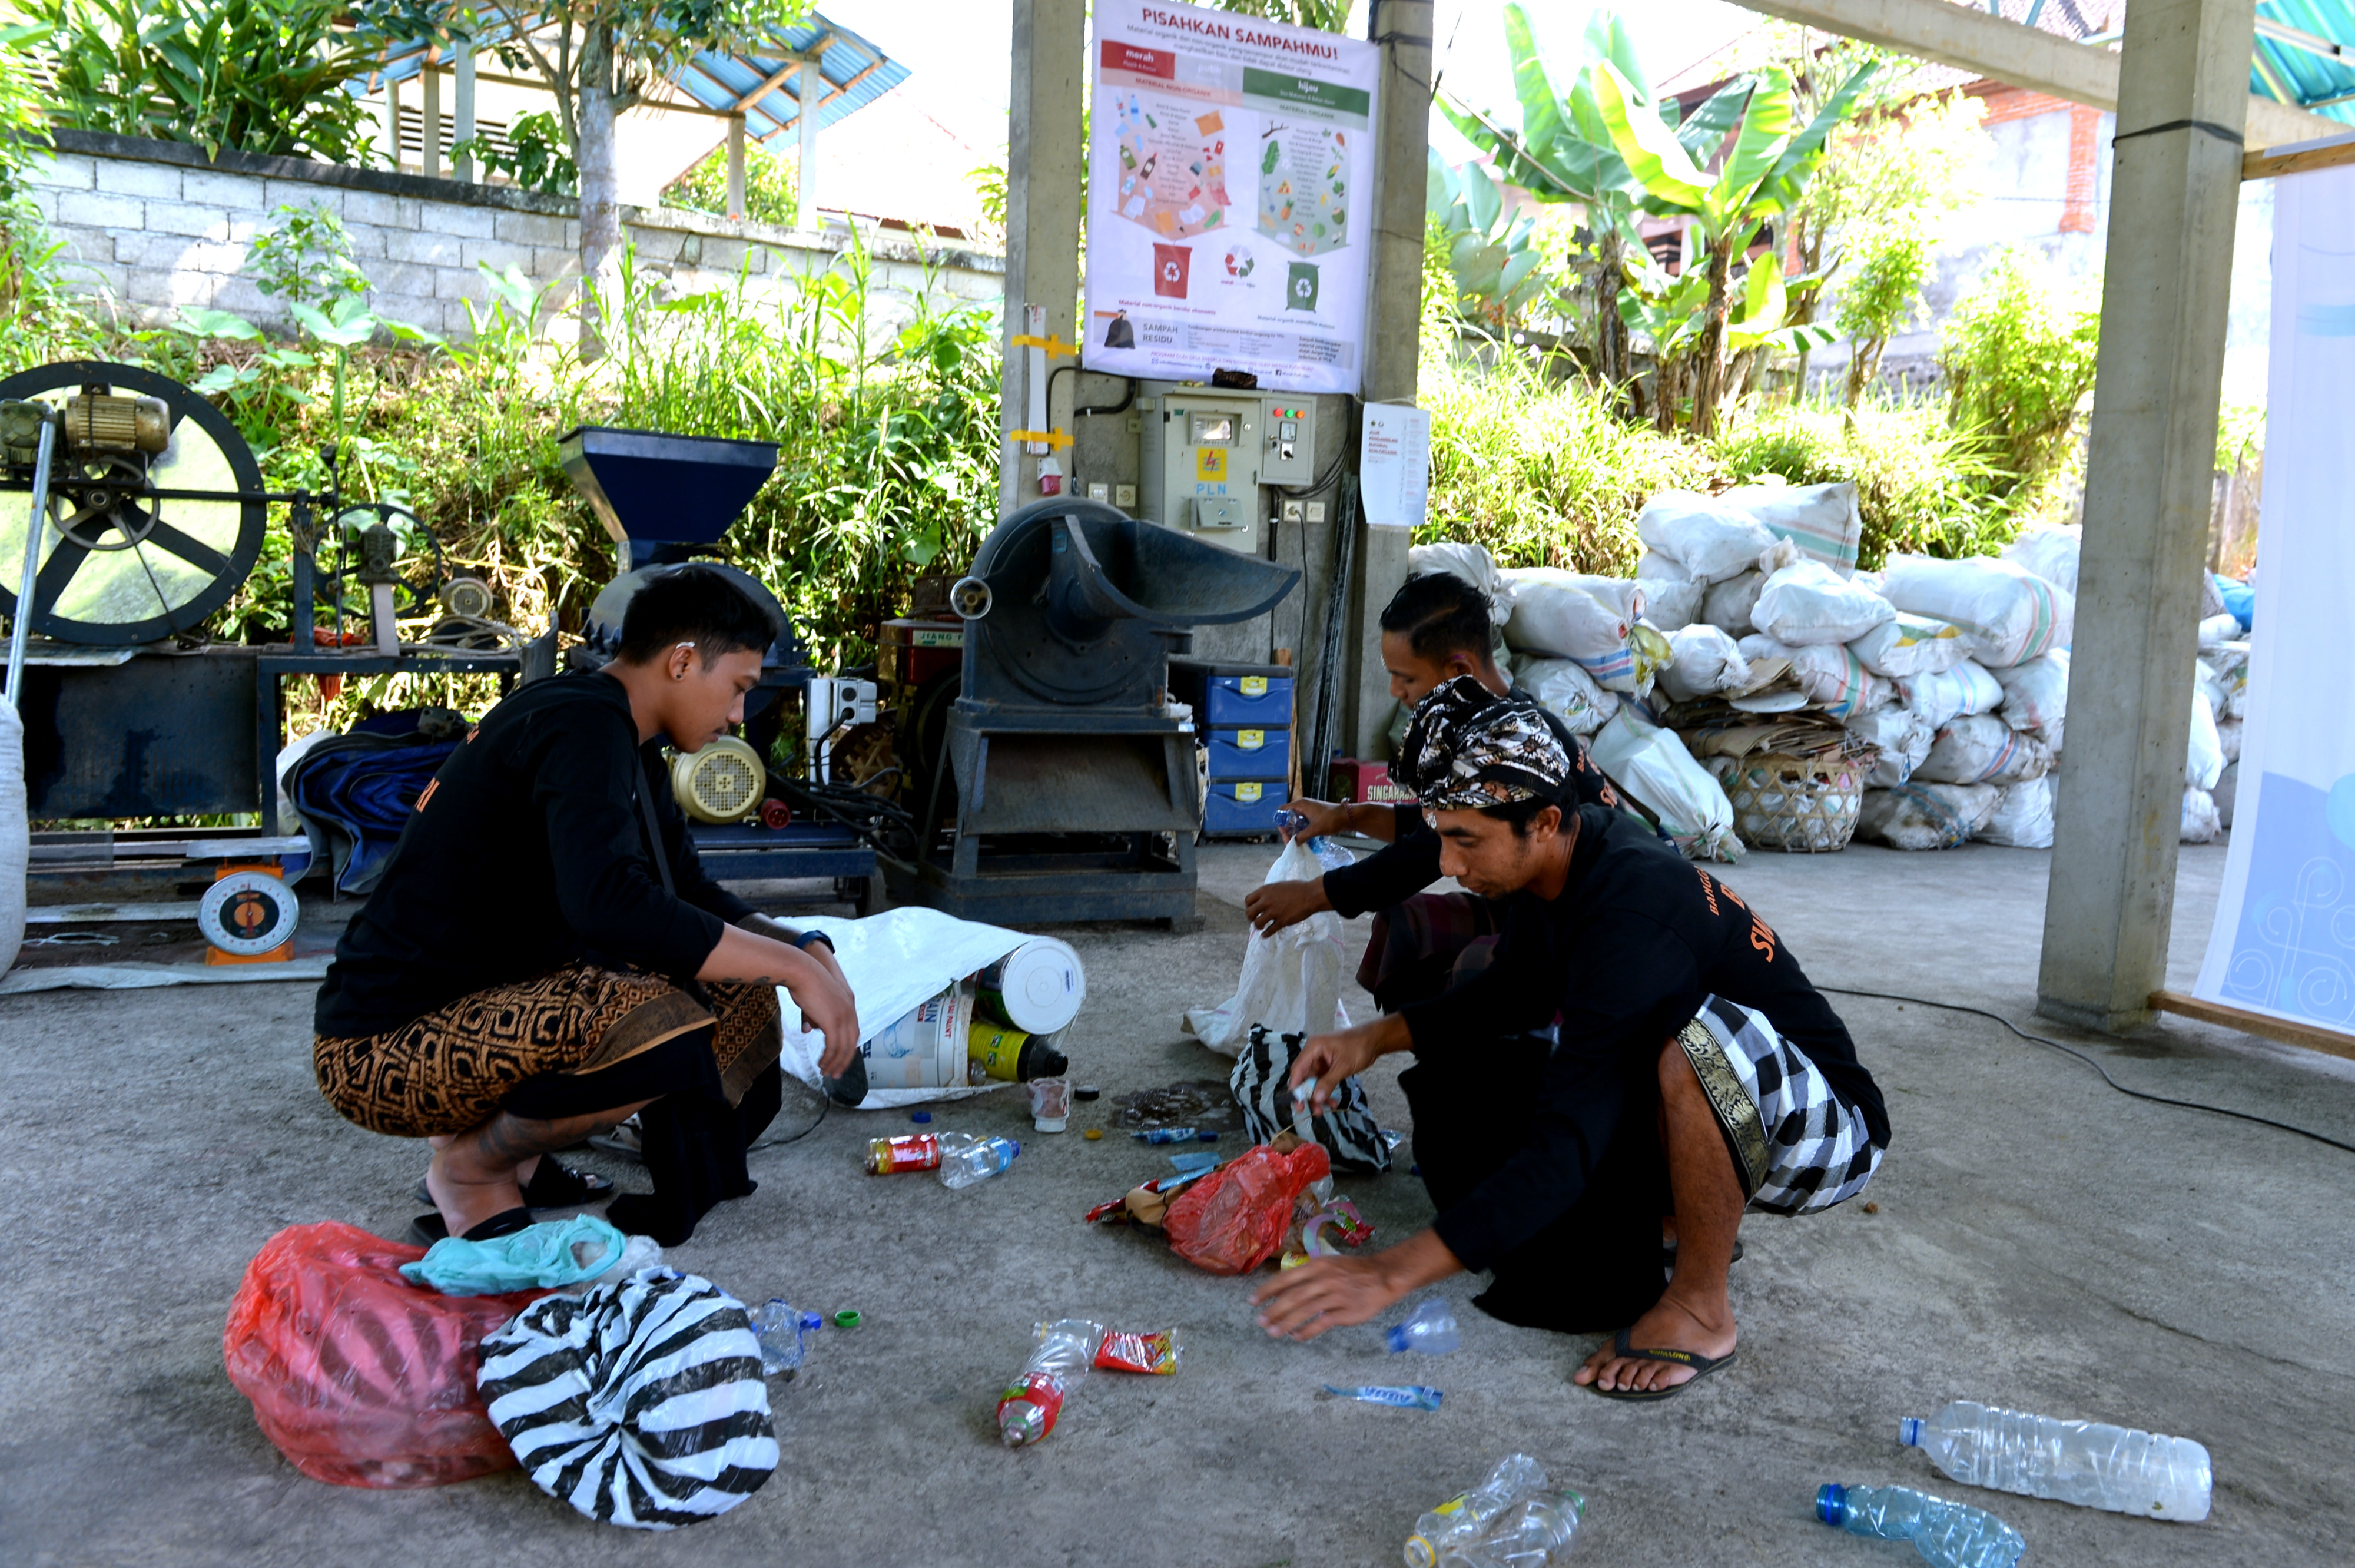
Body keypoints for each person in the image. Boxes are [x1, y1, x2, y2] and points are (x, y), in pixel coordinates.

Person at [1250, 677, 1890, 1399]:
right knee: (1504, 1041)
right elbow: (1514, 989)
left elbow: (1567, 1140)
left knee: (1690, 1043)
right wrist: (1374, 1038)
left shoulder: (1634, 908)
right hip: (1723, 1097)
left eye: (1465, 840)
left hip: (1826, 1131)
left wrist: (1389, 1273)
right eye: (1442, 837)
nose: (1449, 865)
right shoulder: (1558, 863)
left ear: (1545, 821)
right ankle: (1670, 1216)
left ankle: (1700, 1307)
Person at [311, 566, 860, 1247]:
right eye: (738, 687)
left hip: (471, 1011)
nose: (737, 715)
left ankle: (521, 1155)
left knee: (736, 986)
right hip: (378, 1051)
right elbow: (611, 906)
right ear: (682, 662)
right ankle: (470, 1168)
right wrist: (793, 969)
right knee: (660, 1026)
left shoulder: (625, 738)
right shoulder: (583, 725)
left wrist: (799, 948)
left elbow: (687, 891)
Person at [1242, 569, 1626, 1013]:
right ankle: (1423, 1047)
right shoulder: (1482, 722)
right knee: (1404, 927)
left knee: (1477, 969)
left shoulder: (1505, 743)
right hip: (1528, 910)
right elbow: (1434, 828)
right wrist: (1345, 816)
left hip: (1589, 928)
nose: (1396, 691)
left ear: (1458, 671)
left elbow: (1421, 856)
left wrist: (1313, 895)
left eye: (1406, 679)